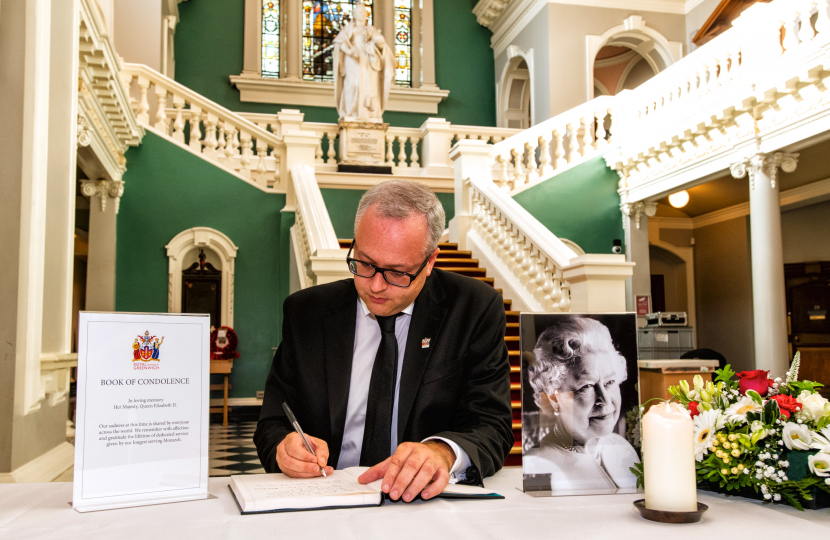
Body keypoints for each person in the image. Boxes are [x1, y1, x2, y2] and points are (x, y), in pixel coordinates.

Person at [255, 179, 513, 502]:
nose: (375, 286)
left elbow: (493, 425)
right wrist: (284, 447)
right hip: (325, 503)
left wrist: (442, 453)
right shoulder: (305, 313)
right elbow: (272, 424)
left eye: (396, 273)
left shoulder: (474, 309)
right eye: (364, 263)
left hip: (422, 507)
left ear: (430, 261)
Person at [524, 318, 639, 493]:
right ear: (554, 399)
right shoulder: (541, 467)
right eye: (586, 386)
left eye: (609, 382)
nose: (606, 400)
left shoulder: (621, 447)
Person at [333, 3, 393, 122]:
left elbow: (380, 42)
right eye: (358, 12)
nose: (361, 14)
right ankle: (351, 112)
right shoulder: (349, 29)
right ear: (354, 14)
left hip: (368, 58)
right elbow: (340, 43)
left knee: (371, 86)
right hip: (353, 59)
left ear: (366, 15)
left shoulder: (371, 29)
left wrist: (379, 41)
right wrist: (349, 51)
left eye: (363, 12)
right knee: (353, 84)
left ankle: (370, 114)